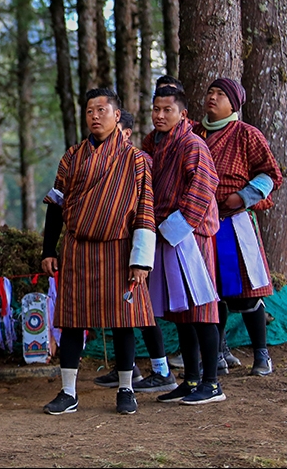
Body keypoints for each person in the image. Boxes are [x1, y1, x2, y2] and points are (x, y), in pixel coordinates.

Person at [40, 88, 157, 416]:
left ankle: (126, 389)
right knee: (73, 321)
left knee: (123, 322)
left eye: (102, 110)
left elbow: (146, 211)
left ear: (117, 116)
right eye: (90, 110)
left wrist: (140, 261)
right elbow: (55, 205)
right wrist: (49, 249)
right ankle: (68, 392)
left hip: (119, 249)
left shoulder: (135, 160)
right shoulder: (73, 156)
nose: (95, 116)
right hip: (77, 248)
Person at [93, 76, 187, 392]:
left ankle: (161, 370)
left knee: (142, 308)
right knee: (127, 310)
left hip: (144, 242)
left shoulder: (138, 160)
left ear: (126, 132)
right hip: (123, 244)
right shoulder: (104, 159)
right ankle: (129, 368)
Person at [141, 84, 229, 404]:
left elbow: (205, 187)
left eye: (167, 110)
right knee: (182, 313)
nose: (160, 115)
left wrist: (176, 227)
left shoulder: (192, 143)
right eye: (156, 109)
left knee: (202, 310)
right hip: (168, 234)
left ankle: (212, 383)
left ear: (183, 114)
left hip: (191, 236)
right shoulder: (158, 144)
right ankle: (191, 380)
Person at [196, 77, 285, 376]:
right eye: (210, 92)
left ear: (233, 104)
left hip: (235, 222)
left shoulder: (247, 134)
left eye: (220, 94)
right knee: (211, 289)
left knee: (246, 291)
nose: (213, 97)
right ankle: (219, 352)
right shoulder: (194, 133)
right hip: (201, 221)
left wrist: (242, 196)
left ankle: (262, 355)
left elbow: (271, 174)